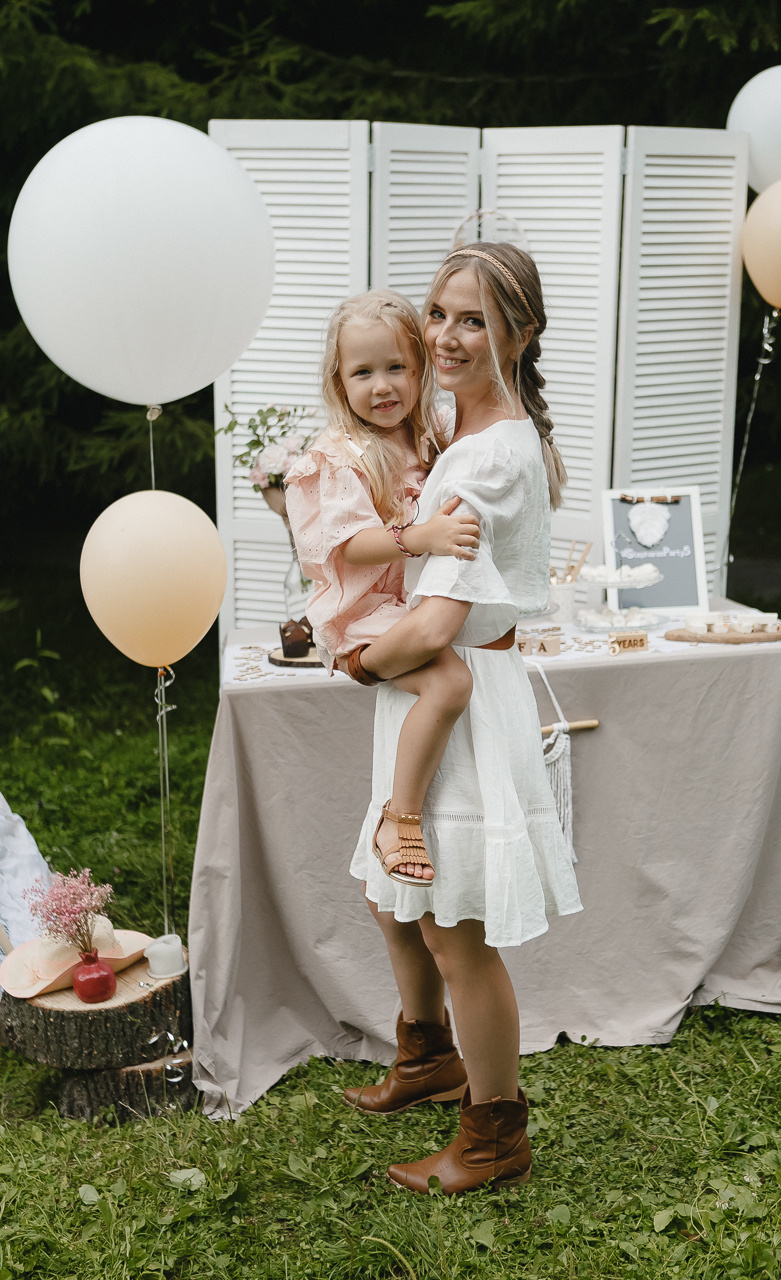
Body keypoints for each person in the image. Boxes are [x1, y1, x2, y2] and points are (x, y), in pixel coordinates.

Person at [341, 243, 583, 1194]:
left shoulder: (488, 458)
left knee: (458, 932)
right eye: (438, 312)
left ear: (518, 333)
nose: (443, 335)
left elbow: (437, 623)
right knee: (391, 892)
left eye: (472, 319)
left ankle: (493, 1134)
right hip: (435, 694)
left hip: (461, 702)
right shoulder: (457, 425)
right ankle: (428, 1055)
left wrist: (359, 657)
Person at [285, 290, 481, 886]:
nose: (383, 386)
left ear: (422, 371)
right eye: (362, 372)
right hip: (364, 612)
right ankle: (402, 818)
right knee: (451, 683)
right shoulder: (339, 454)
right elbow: (348, 544)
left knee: (458, 674)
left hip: (414, 607)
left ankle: (374, 669)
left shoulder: (429, 437)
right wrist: (420, 536)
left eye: (397, 367)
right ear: (339, 382)